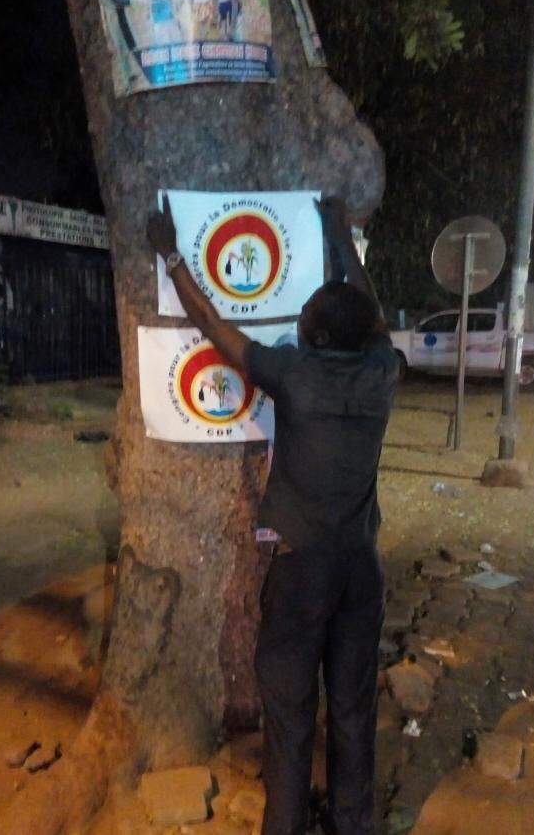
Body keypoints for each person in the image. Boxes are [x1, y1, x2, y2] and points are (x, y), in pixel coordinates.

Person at [147, 194, 398, 835]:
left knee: (289, 717)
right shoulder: (382, 373)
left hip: (301, 576)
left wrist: (173, 254)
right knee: (351, 710)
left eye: (308, 316)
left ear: (311, 336)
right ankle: (351, 824)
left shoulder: (294, 373)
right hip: (360, 574)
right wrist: (338, 232)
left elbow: (212, 325)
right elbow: (367, 313)